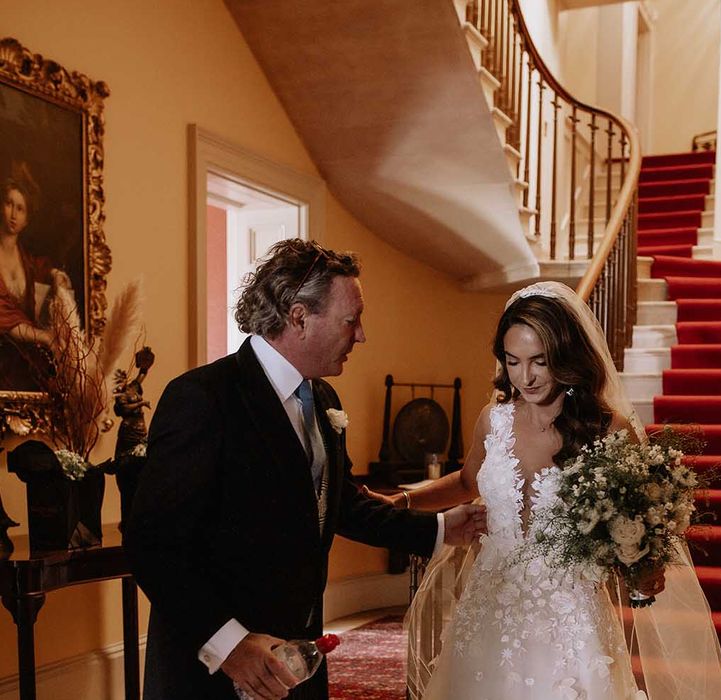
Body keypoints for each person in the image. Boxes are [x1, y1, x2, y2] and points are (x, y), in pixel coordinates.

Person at [125, 239, 486, 700]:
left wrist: (437, 530)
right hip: (212, 674)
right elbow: (153, 545)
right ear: (298, 317)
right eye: (351, 320)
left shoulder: (323, 400)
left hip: (300, 662)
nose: (361, 336)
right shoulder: (203, 398)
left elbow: (340, 503)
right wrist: (231, 646)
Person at [366, 281, 721, 699]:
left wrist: (643, 568)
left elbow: (638, 522)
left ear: (565, 355)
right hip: (489, 607)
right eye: (513, 361)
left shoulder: (607, 430)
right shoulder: (493, 419)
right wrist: (400, 503)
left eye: (539, 361)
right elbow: (468, 482)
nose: (526, 377)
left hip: (569, 619)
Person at [0, 162, 71, 390]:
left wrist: (55, 274)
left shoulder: (26, 260)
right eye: (9, 204)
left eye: (20, 208)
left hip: (25, 365)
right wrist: (44, 337)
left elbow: (39, 268)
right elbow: (4, 318)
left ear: (27, 219)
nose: (13, 214)